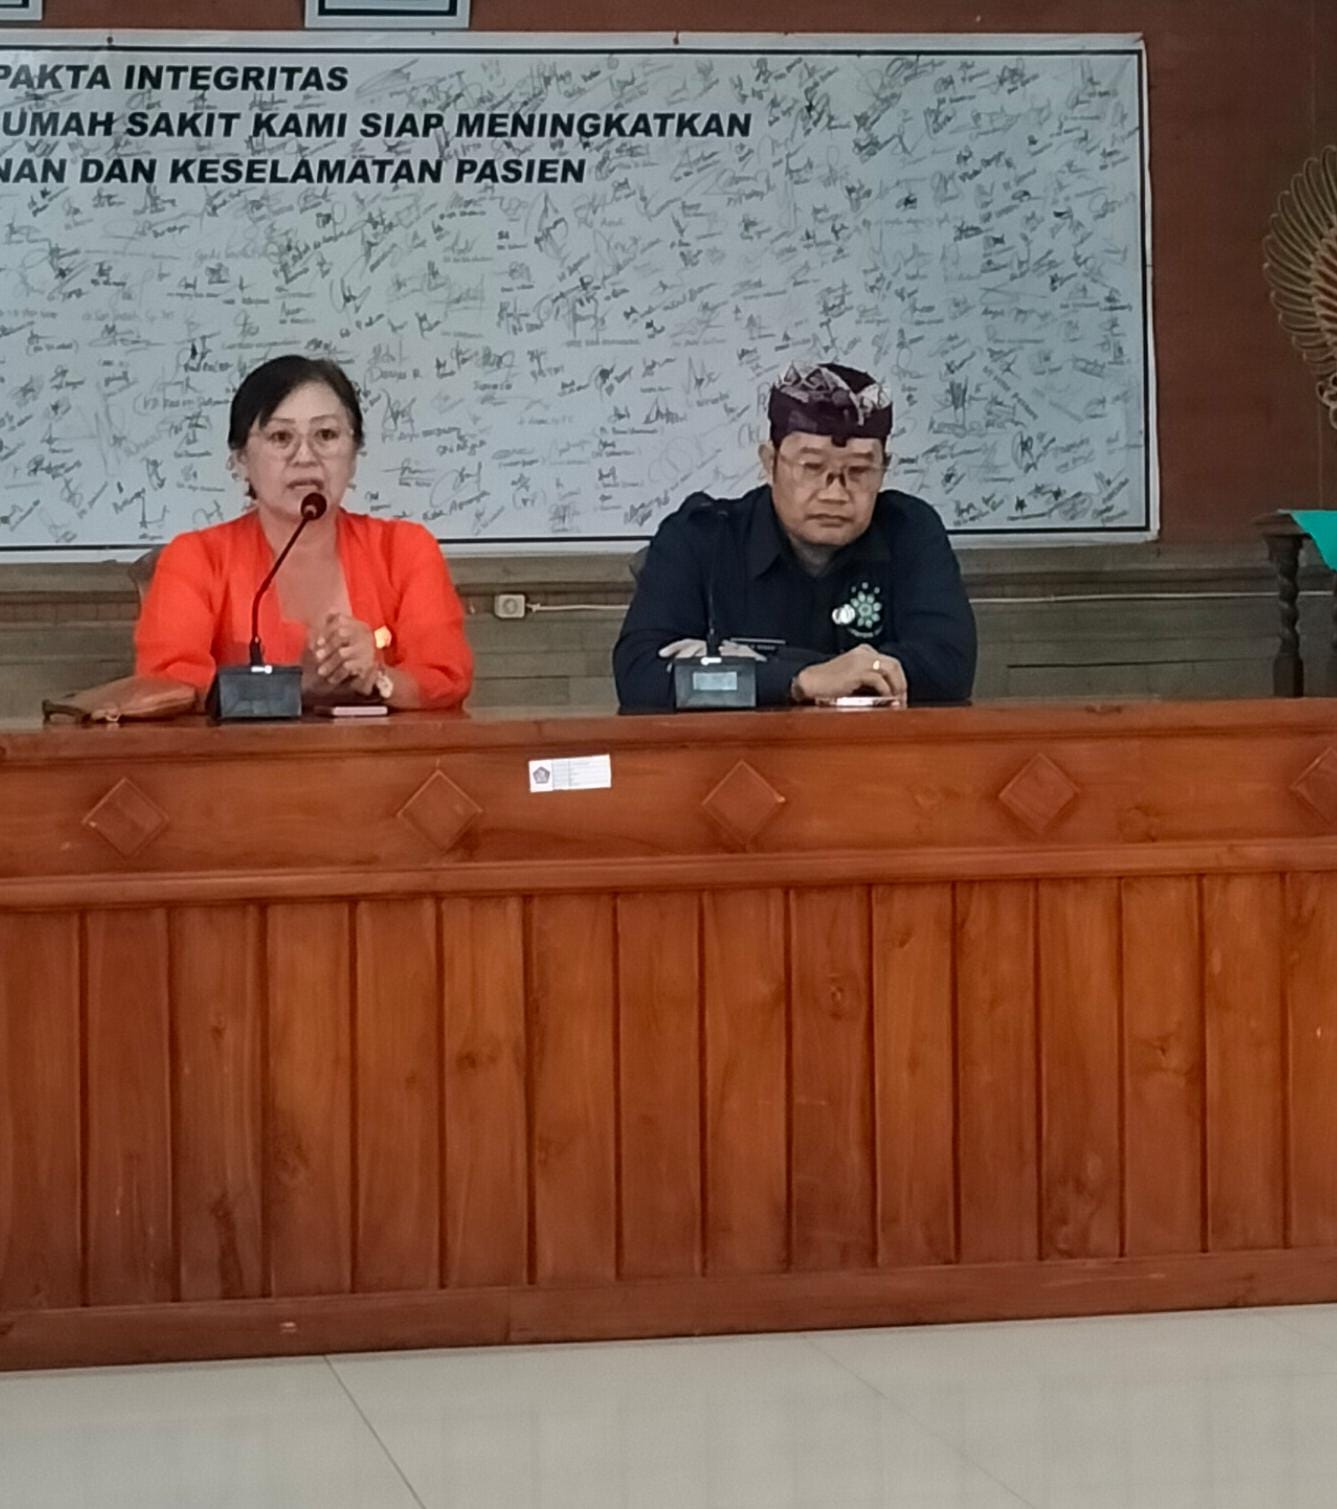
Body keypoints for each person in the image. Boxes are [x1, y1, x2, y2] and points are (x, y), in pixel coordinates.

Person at [613, 362, 976, 710]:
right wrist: (797, 680)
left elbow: (948, 670)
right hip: (740, 751)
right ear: (769, 462)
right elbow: (641, 677)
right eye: (812, 467)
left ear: (884, 470)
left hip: (874, 751)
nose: (835, 493)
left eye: (859, 471)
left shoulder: (909, 532)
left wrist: (748, 665)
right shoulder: (702, 539)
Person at [135, 355, 473, 710]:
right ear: (241, 460)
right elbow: (167, 682)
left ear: (354, 456)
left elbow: (445, 676)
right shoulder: (196, 558)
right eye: (281, 437)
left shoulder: (404, 549)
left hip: (381, 749)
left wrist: (376, 678)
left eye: (326, 435)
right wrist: (296, 688)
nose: (305, 457)